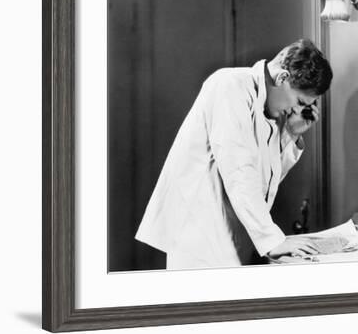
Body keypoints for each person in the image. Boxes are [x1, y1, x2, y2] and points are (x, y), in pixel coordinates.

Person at [135, 39, 333, 269]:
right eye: (299, 102)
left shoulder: (271, 114)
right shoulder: (230, 85)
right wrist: (272, 240)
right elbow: (240, 171)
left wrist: (288, 133)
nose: (297, 111)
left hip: (232, 241)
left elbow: (264, 186)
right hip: (201, 244)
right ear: (282, 78)